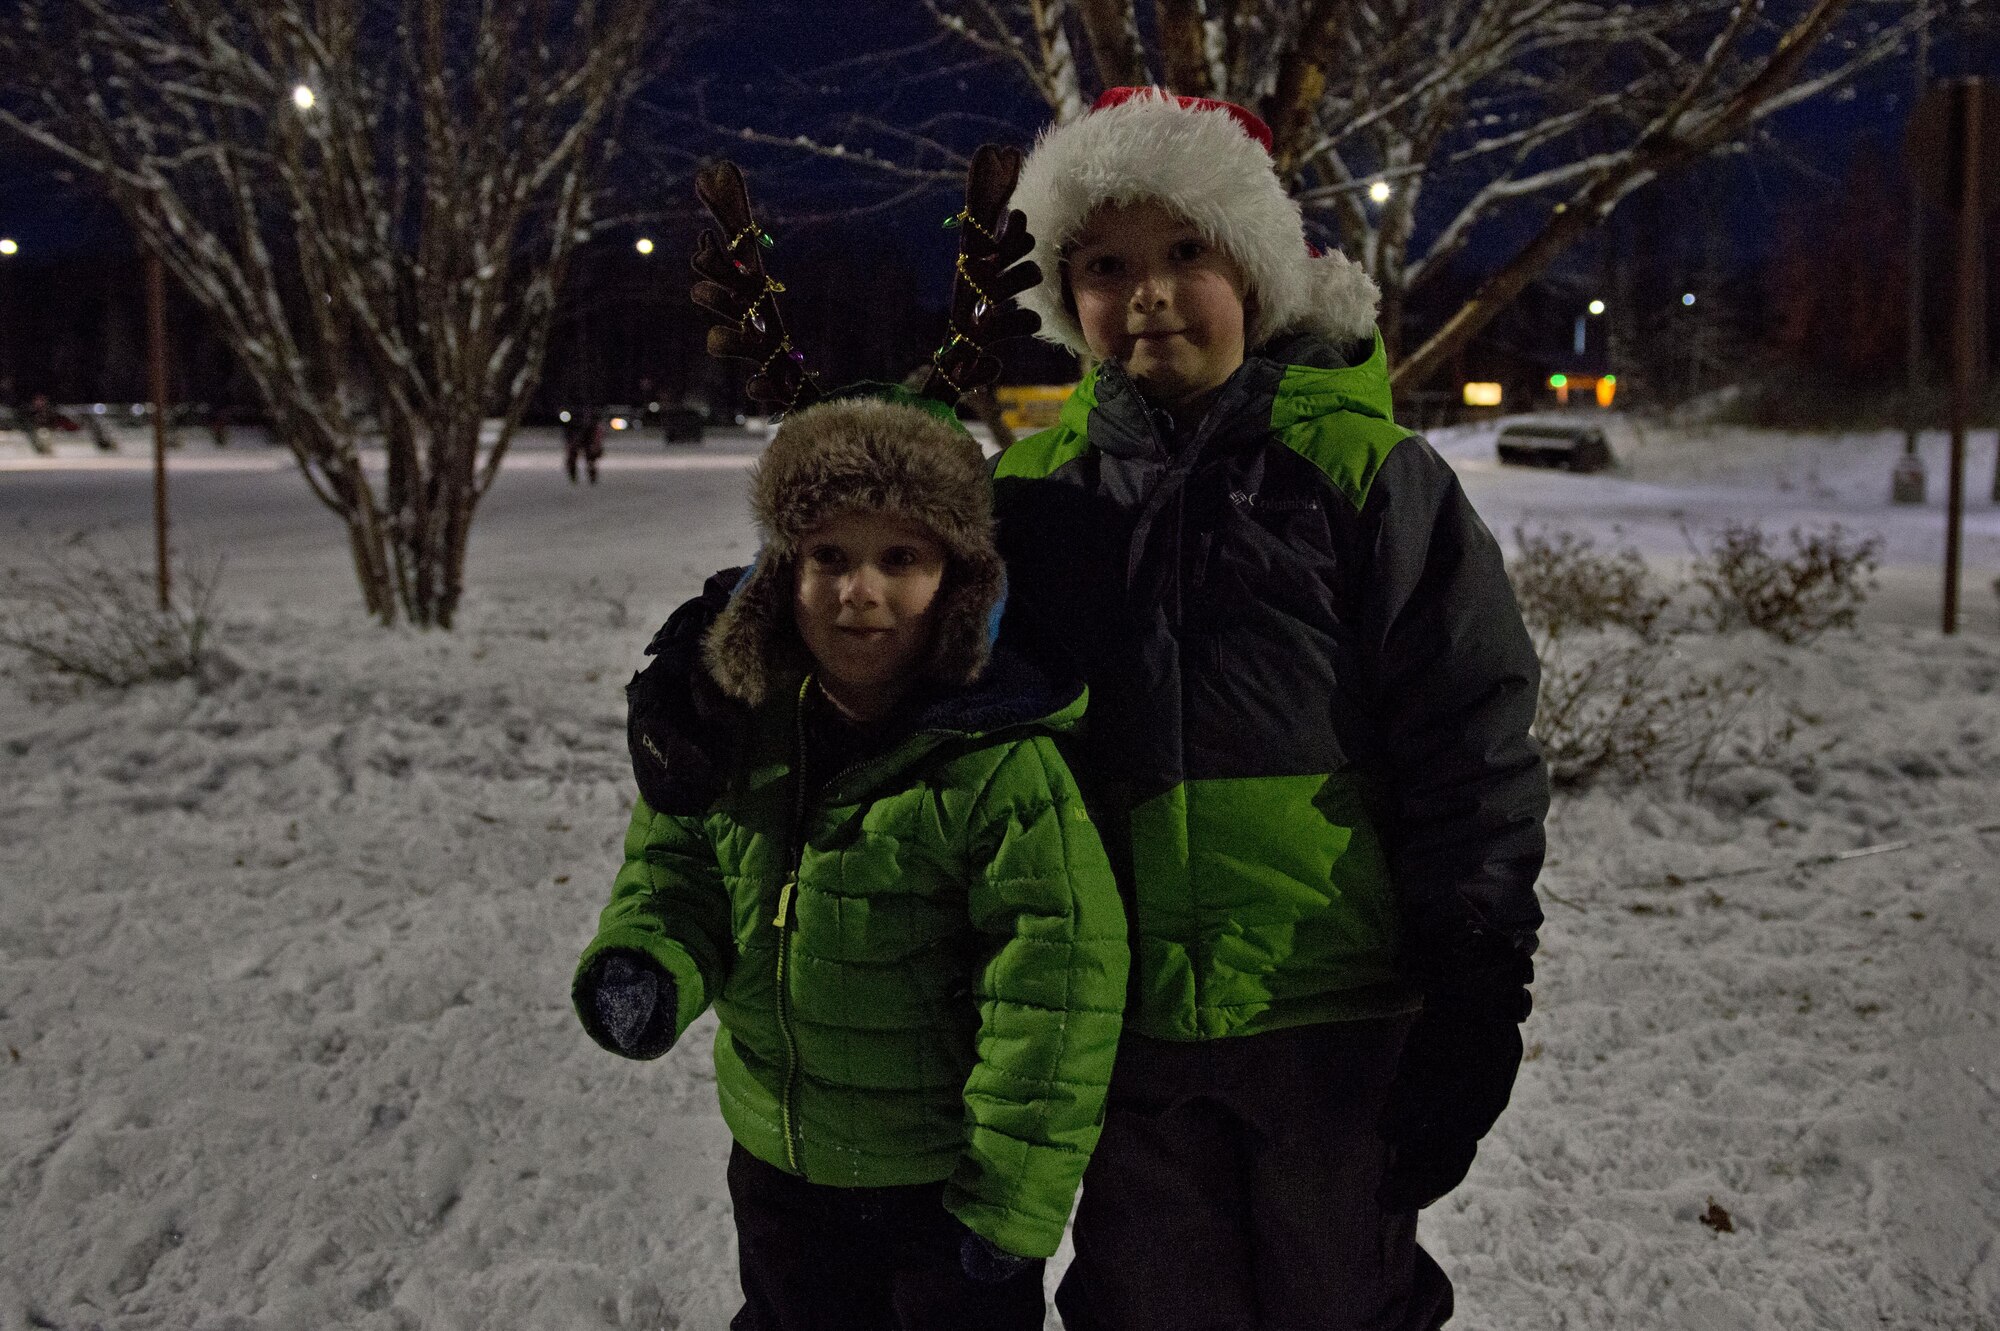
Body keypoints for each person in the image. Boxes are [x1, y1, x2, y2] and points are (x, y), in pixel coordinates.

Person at [992, 87, 1552, 1330]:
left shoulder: (1366, 477)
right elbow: (894, 653)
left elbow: (1469, 740)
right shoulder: (1034, 495)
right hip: (1119, 1019)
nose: (1146, 293)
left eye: (1184, 251)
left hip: (1333, 1017)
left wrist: (1474, 975)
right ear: (1063, 297)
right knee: (1149, 1300)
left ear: (1251, 265)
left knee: (1338, 1296)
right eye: (1103, 264)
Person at [572, 392, 1129, 1331]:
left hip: (941, 1195)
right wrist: (650, 958)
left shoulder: (1001, 768)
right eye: (829, 555)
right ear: (782, 570)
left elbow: (1057, 990)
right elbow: (681, 866)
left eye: (900, 558)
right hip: (782, 1164)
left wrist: (1009, 1201)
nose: (858, 591)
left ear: (958, 578)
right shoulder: (741, 730)